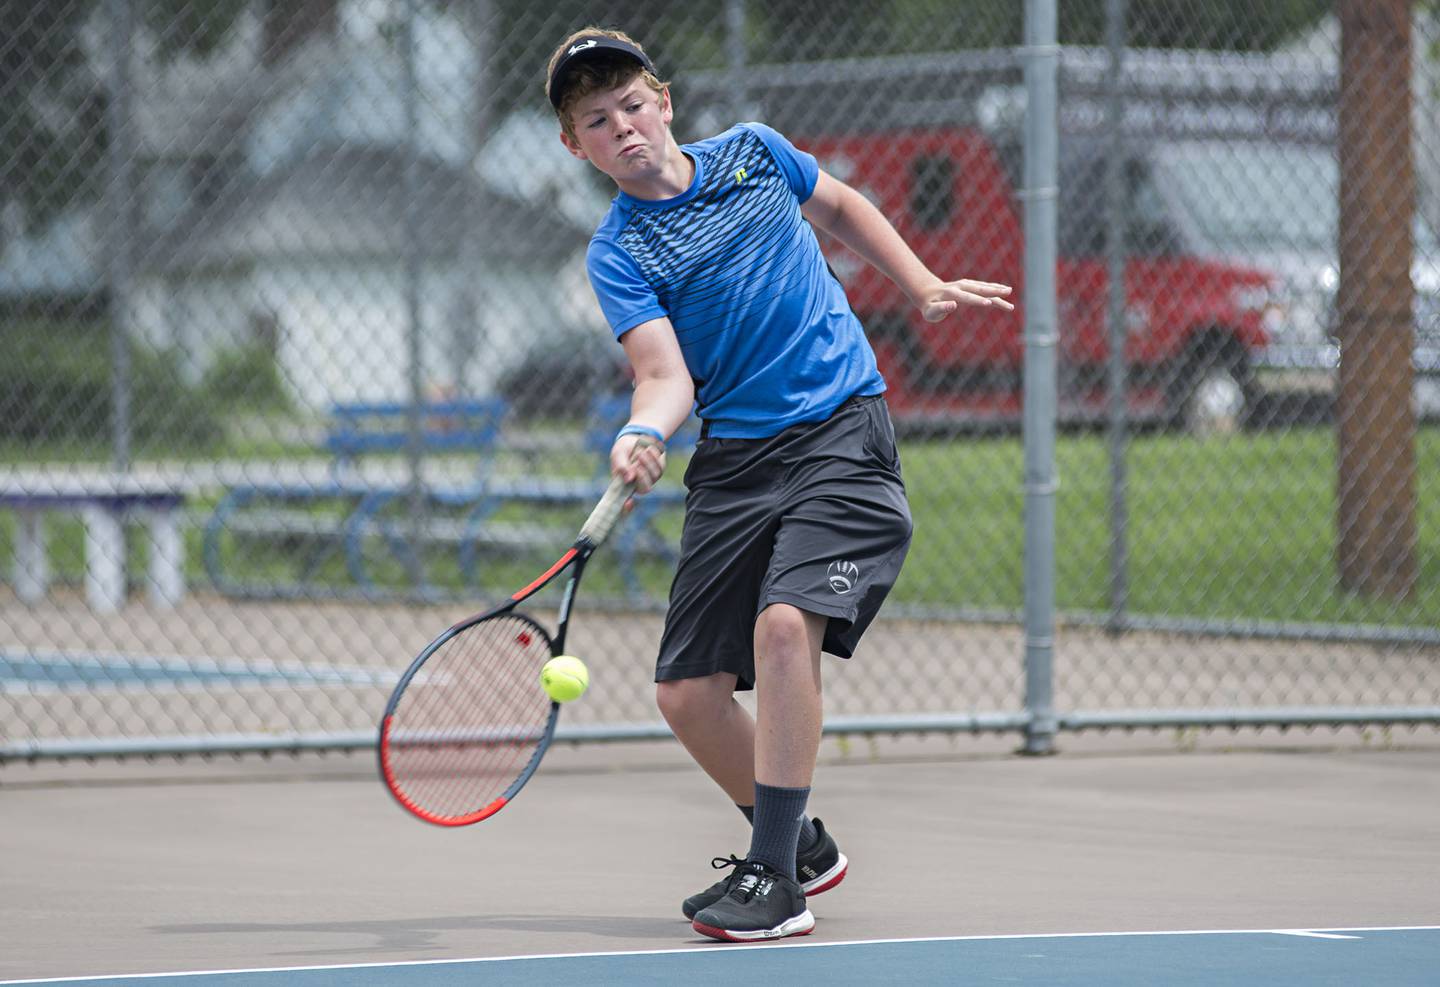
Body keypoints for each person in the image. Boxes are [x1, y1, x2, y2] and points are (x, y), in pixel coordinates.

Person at [544, 27, 1014, 943]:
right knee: (686, 693)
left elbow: (839, 206)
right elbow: (662, 373)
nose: (624, 128)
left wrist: (919, 284)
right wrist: (643, 433)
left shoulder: (755, 153)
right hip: (735, 460)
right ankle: (797, 840)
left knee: (784, 625)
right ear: (577, 146)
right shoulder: (619, 251)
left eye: (633, 104)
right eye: (597, 121)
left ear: (665, 101)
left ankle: (774, 881)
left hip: (841, 429)